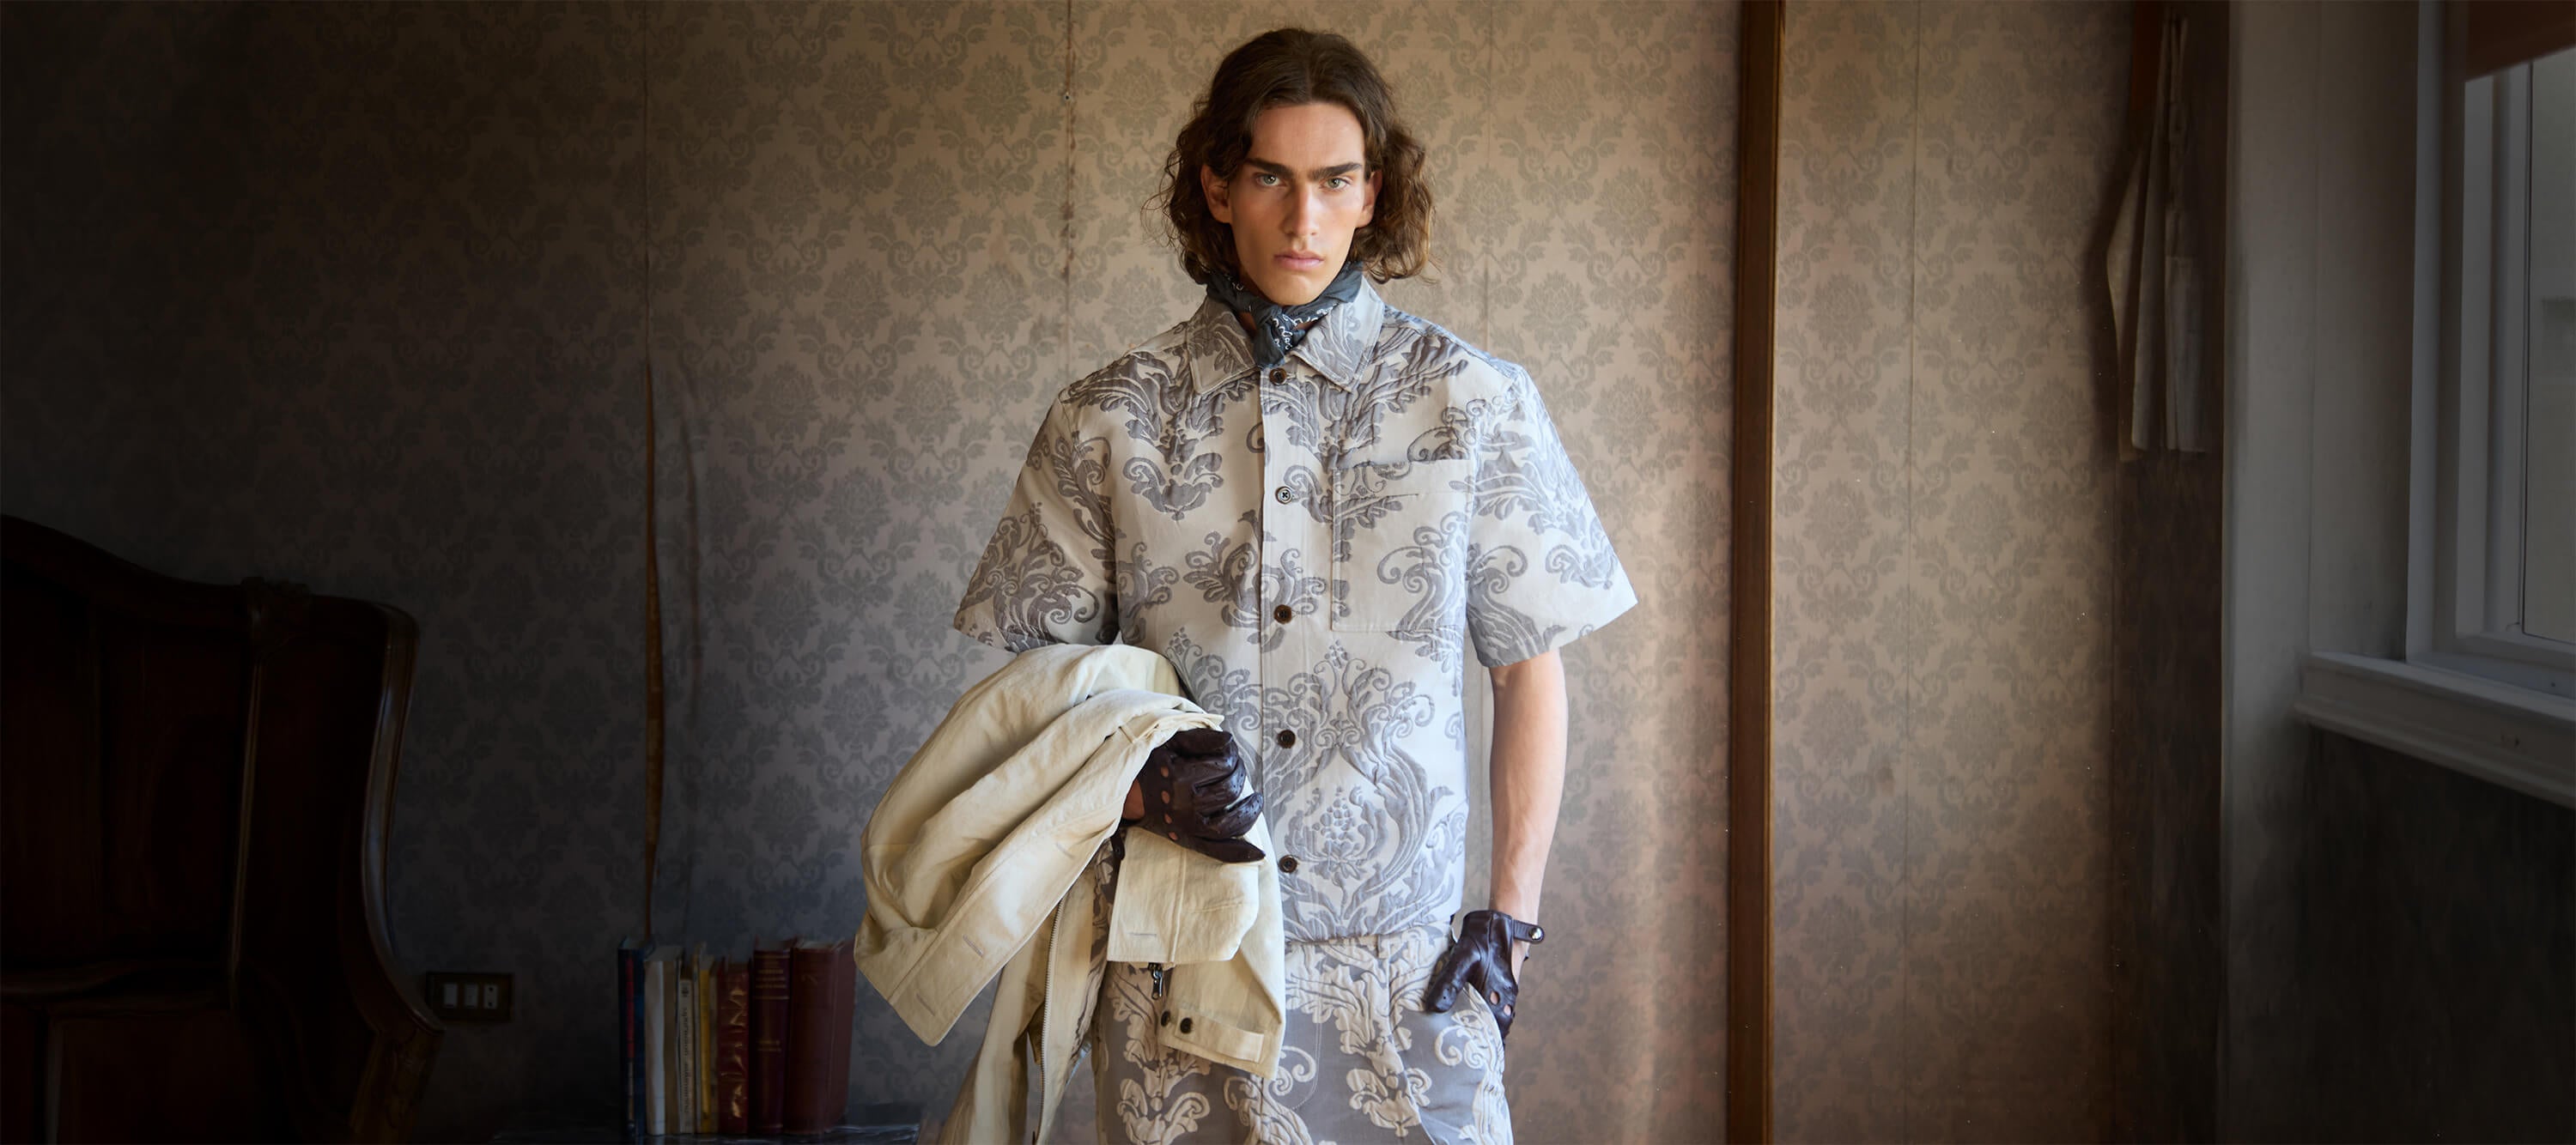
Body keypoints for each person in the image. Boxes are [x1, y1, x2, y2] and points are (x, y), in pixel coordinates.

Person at [951, 26, 1635, 1144]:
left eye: (1335, 181)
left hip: (1409, 982)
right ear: (1217, 186)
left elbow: (1528, 671)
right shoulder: (1107, 418)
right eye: (1270, 177)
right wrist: (1137, 790)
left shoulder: (1475, 403)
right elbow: (1037, 698)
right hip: (1178, 970)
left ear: (1374, 194)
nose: (1303, 218)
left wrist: (1511, 922)